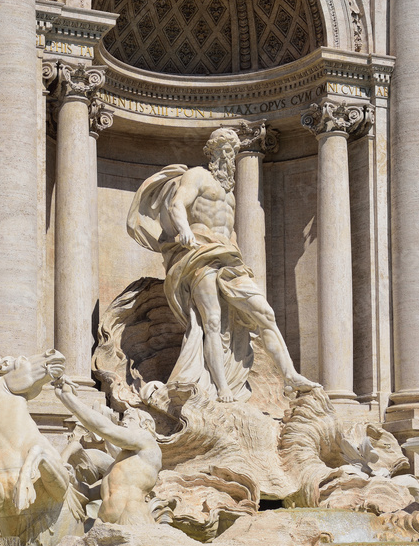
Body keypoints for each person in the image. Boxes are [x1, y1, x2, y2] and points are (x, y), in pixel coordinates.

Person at [127, 126, 318, 402]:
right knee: (212, 321)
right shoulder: (198, 176)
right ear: (211, 154)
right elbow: (177, 205)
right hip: (199, 255)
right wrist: (185, 229)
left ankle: (290, 376)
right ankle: (221, 388)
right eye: (222, 152)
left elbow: (228, 229)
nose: (227, 158)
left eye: (231, 152)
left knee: (264, 313)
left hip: (228, 258)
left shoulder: (230, 192)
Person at [54, 377, 162, 527]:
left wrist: (68, 398)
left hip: (131, 520)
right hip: (104, 524)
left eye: (129, 419)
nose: (123, 423)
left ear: (145, 425)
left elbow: (107, 429)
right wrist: (73, 479)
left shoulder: (147, 442)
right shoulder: (119, 464)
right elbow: (90, 493)